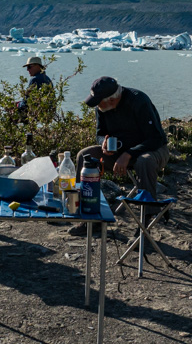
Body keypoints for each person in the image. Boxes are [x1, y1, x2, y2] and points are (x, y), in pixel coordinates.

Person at [71, 76, 170, 236]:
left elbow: (155, 138)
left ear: (112, 99)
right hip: (119, 152)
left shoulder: (138, 101)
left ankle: (146, 224)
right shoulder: (101, 107)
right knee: (85, 155)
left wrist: (128, 154)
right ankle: (88, 216)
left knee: (144, 162)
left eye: (98, 101)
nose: (96, 105)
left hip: (153, 150)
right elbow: (100, 133)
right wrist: (103, 142)